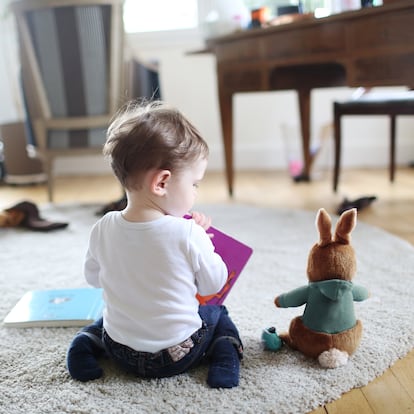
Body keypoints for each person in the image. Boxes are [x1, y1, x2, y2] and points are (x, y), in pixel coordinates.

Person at [66, 100, 243, 388]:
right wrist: (203, 244)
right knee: (217, 315)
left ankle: (85, 344)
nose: (196, 192)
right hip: (177, 356)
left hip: (120, 351)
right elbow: (213, 285)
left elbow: (93, 279)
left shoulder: (103, 227)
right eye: (194, 183)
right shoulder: (188, 233)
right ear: (161, 183)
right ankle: (225, 355)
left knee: (110, 314)